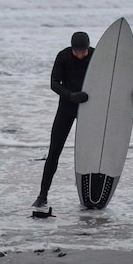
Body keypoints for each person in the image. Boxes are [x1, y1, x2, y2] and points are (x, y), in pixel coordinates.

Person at [32, 32, 94, 208]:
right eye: (77, 52)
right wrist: (70, 95)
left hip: (89, 110)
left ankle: (90, 196)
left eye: (83, 52)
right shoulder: (64, 56)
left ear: (88, 48)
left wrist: (131, 93)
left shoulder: (97, 56)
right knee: (54, 151)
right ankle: (42, 196)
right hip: (67, 108)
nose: (79, 55)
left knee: (90, 152)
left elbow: (110, 81)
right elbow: (54, 83)